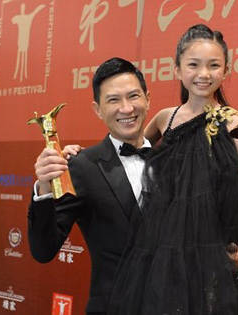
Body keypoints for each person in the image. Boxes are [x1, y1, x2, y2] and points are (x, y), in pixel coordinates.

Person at [106, 24, 238, 315]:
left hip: (209, 250)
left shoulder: (232, 120)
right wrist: (84, 154)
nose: (203, 74)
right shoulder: (165, 118)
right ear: (177, 70)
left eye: (214, 65)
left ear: (226, 71)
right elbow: (128, 149)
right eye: (193, 65)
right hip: (160, 245)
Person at [27, 57, 152, 314]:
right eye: (113, 100)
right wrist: (44, 190)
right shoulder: (82, 166)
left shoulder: (172, 163)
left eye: (133, 96)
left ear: (147, 99)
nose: (127, 108)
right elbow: (43, 249)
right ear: (97, 109)